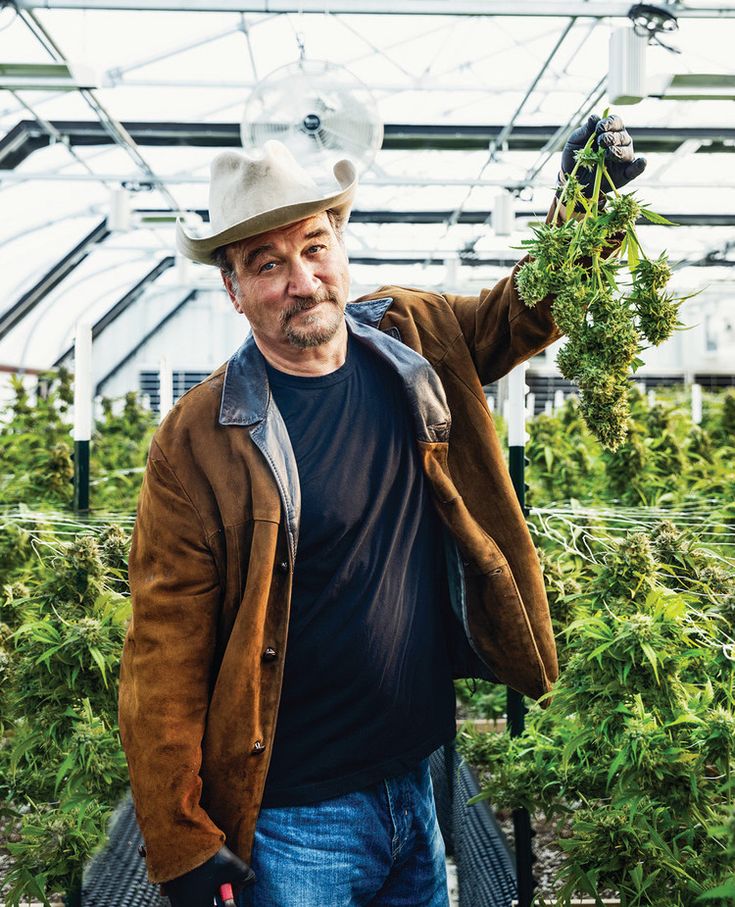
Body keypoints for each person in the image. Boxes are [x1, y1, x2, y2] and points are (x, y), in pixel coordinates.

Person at [118, 113, 645, 907]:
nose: (301, 279)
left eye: (313, 247)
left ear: (339, 245)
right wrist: (180, 839)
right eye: (267, 264)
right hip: (294, 821)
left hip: (419, 782)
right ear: (232, 289)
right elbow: (163, 651)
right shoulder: (198, 437)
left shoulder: (415, 338)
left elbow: (523, 310)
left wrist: (583, 210)